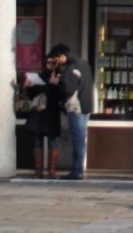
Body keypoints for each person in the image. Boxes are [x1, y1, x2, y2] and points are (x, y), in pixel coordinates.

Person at [49, 43, 95, 181]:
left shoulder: (72, 67)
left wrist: (57, 83)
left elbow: (69, 88)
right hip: (86, 106)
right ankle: (78, 169)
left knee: (78, 139)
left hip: (76, 107)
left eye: (57, 59)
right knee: (81, 138)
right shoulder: (84, 64)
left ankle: (77, 170)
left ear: (62, 56)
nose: (56, 62)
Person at [22, 54, 64, 179]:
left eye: (53, 63)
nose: (50, 65)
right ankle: (38, 170)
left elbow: (60, 95)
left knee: (52, 141)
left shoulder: (59, 77)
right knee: (37, 140)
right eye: (48, 63)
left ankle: (52, 169)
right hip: (39, 113)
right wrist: (29, 86)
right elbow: (31, 94)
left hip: (51, 113)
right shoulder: (39, 76)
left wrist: (50, 86)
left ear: (57, 64)